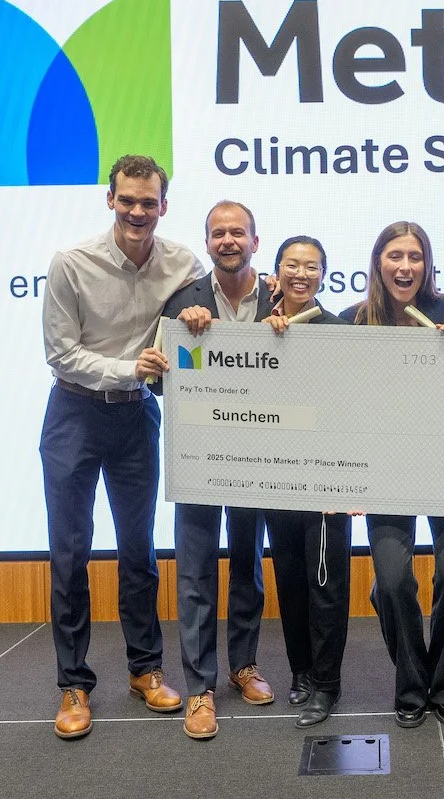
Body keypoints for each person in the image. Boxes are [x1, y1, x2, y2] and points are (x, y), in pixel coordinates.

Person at [40, 154, 207, 740]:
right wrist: (127, 369)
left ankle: (145, 669)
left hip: (138, 418)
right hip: (74, 414)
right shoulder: (71, 263)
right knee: (70, 553)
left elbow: (211, 311)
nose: (138, 211)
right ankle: (74, 685)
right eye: (128, 200)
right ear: (110, 200)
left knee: (139, 550)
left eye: (149, 201)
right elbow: (60, 353)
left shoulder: (184, 262)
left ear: (164, 205)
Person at [340, 222, 444, 728]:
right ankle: (411, 683)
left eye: (415, 257)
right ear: (378, 262)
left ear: (428, 264)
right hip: (385, 469)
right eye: (395, 256)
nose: (406, 267)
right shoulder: (352, 321)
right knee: (395, 581)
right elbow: (335, 400)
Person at [161, 201, 277, 740]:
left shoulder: (281, 296)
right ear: (207, 243)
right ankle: (200, 688)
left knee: (249, 564)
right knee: (195, 572)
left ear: (255, 239)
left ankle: (244, 665)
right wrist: (186, 338)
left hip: (261, 453)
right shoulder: (182, 301)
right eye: (218, 233)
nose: (228, 241)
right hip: (199, 454)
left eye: (238, 232)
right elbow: (163, 380)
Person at [263, 235, 353, 727]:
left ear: (324, 275)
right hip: (275, 477)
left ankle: (326, 684)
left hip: (326, 481)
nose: (301, 274)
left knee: (326, 585)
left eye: (312, 266)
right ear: (276, 272)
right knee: (291, 580)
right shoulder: (259, 330)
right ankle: (301, 671)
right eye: (292, 265)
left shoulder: (338, 329)